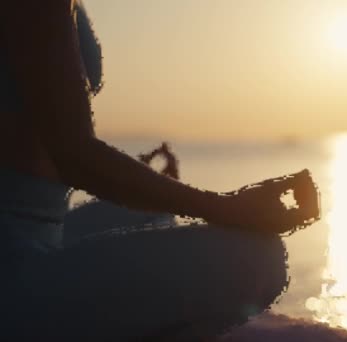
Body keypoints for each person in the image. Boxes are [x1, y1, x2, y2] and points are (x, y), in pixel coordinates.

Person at [0, 0, 320, 340]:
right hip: (12, 265)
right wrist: (228, 206)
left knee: (157, 215)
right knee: (262, 259)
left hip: (46, 228)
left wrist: (148, 184)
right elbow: (74, 154)